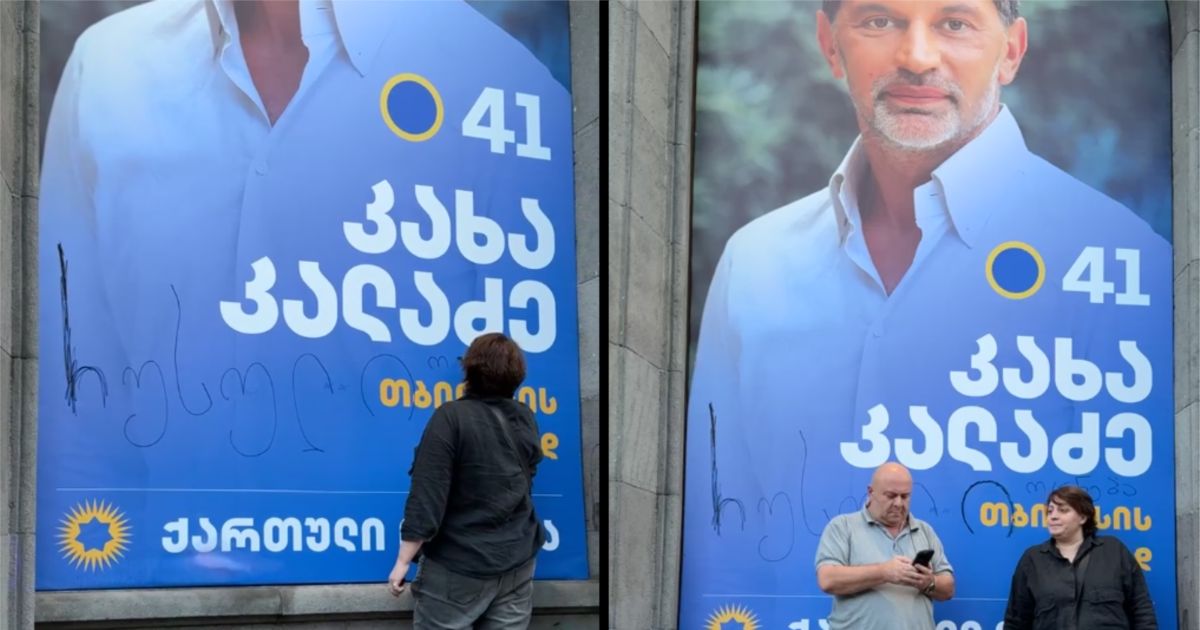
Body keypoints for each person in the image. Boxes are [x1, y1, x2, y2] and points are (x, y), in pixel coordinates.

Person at [387, 332, 545, 630]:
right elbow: (526, 480)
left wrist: (403, 562)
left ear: (469, 370)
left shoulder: (451, 417)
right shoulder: (525, 417)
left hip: (458, 565)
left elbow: (428, 492)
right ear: (516, 376)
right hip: (518, 561)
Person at [815, 462, 955, 630]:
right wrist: (884, 572)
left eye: (905, 496)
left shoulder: (924, 531)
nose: (898, 503)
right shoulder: (843, 526)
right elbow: (828, 580)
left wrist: (927, 582)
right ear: (870, 492)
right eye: (891, 495)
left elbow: (948, 588)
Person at [1002, 486, 1157, 629]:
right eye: (1050, 511)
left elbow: (1142, 610)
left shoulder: (1114, 551)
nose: (1053, 516)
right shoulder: (1032, 559)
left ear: (1083, 517)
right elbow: (1015, 622)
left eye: (1063, 510)